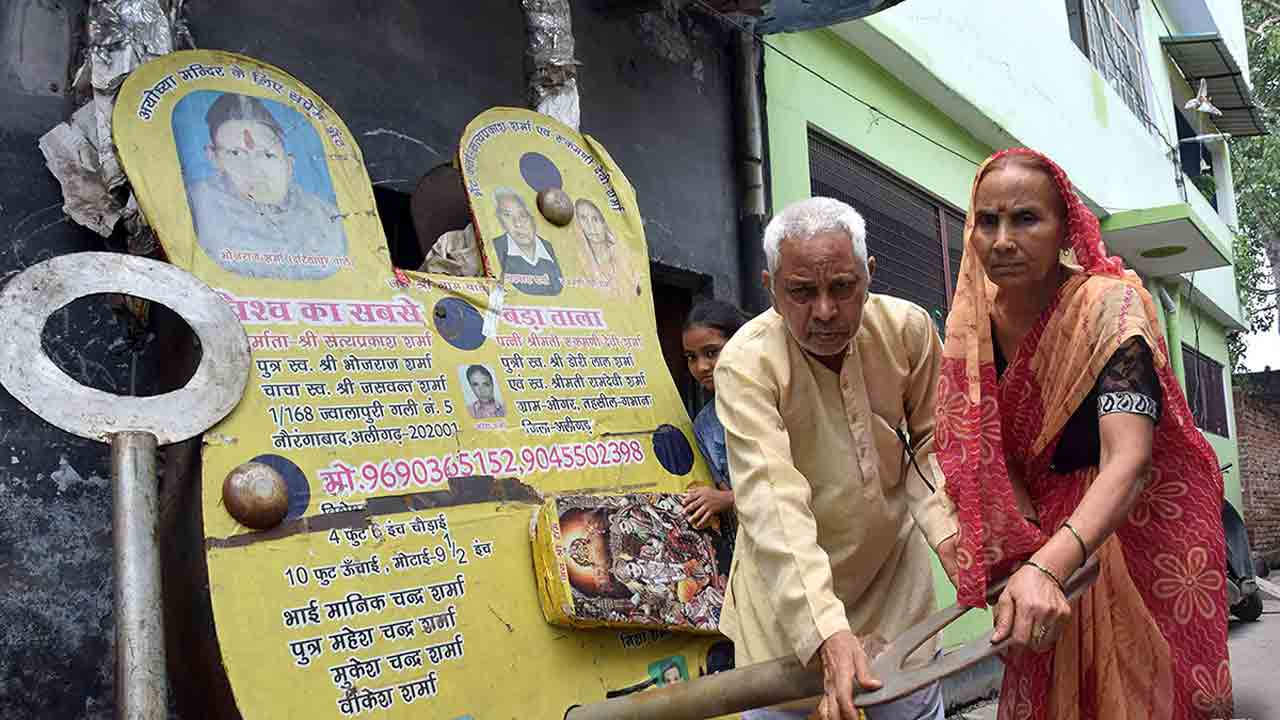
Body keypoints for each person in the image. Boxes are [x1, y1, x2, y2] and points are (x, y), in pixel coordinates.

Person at [936, 148, 1231, 719]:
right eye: (986, 221)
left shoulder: (1111, 309)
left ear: (1064, 227)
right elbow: (983, 455)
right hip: (1040, 547)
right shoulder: (973, 327)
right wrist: (1016, 553)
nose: (1001, 240)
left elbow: (1130, 459)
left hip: (1122, 538)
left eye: (1025, 219)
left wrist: (1050, 564)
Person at [715, 197, 959, 720]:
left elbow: (935, 448)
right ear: (772, 288)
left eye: (843, 288)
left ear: (869, 275)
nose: (824, 311)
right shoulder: (745, 363)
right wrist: (826, 629)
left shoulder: (909, 331)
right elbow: (771, 500)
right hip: (786, 614)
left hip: (895, 597)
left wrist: (953, 540)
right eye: (801, 292)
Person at [184, 92, 348, 280]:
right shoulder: (196, 205)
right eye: (235, 154)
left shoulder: (328, 219)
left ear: (289, 163)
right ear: (214, 159)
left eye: (267, 155)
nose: (254, 169)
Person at [680, 299, 749, 571]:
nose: (701, 367)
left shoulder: (777, 397)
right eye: (691, 357)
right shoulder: (705, 426)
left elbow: (805, 478)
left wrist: (726, 499)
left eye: (711, 353)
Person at [491, 188, 564, 295]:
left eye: (523, 215)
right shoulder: (493, 248)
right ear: (500, 220)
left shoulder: (555, 249)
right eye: (507, 215)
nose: (518, 224)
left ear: (534, 218)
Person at [574, 198, 639, 296]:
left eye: (595, 219)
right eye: (583, 218)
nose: (590, 226)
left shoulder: (624, 256)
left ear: (604, 223)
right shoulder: (578, 258)